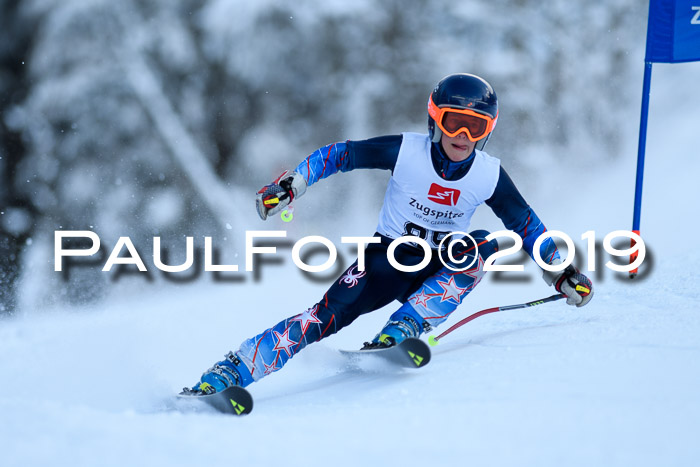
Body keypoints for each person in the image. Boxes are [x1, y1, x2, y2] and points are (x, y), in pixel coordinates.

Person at [187, 73, 594, 393]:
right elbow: (341, 154)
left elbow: (525, 223)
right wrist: (294, 183)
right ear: (436, 119)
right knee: (322, 317)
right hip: (386, 261)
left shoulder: (488, 175)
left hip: (442, 265)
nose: (462, 137)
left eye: (475, 126)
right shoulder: (406, 151)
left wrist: (559, 271)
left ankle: (403, 329)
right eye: (454, 123)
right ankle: (229, 372)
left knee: (482, 247)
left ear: (489, 129)